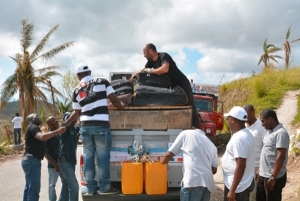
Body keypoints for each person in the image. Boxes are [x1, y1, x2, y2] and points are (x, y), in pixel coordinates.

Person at [62, 63, 126, 196]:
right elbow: (113, 99)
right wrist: (121, 107)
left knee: (88, 157)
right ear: (90, 72)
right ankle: (104, 188)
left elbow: (76, 112)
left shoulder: (76, 90)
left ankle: (90, 188)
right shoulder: (103, 81)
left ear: (79, 75)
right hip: (101, 125)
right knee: (102, 158)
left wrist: (66, 123)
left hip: (85, 126)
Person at [129, 43, 200, 129]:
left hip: (182, 83)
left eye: (145, 53)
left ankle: (197, 129)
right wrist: (132, 78)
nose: (144, 56)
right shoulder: (150, 62)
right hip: (171, 86)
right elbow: (143, 69)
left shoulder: (164, 56)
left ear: (150, 51)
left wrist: (150, 71)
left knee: (190, 105)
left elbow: (165, 69)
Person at [159, 128, 218, 201]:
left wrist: (161, 160)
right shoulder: (211, 145)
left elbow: (168, 155)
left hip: (192, 182)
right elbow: (214, 170)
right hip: (207, 184)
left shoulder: (186, 133)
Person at [21, 113, 66, 201]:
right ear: (31, 119)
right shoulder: (33, 127)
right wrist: (57, 131)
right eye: (36, 116)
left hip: (31, 160)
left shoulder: (33, 128)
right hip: (32, 160)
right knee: (34, 188)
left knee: (29, 187)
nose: (39, 117)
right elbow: (42, 137)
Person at [222, 106, 255, 201]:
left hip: (238, 187)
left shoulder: (240, 138)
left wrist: (232, 190)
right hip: (239, 184)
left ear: (233, 120)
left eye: (228, 118)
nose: (227, 121)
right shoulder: (245, 133)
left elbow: (241, 166)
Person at [256, 109, 289, 201]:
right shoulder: (269, 132)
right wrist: (260, 169)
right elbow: (266, 152)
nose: (262, 124)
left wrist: (273, 177)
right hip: (263, 175)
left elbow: (281, 156)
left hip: (273, 177)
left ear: (270, 119)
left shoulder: (281, 133)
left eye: (263, 121)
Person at [243, 104, 268, 201]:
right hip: (243, 167)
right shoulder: (243, 126)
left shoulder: (260, 127)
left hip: (256, 167)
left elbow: (265, 147)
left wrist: (261, 167)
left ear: (252, 113)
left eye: (246, 115)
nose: (244, 117)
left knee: (252, 196)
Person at [58, 112, 80, 201]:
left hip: (71, 161)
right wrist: (77, 111)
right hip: (64, 160)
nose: (75, 118)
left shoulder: (75, 129)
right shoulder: (64, 128)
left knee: (66, 185)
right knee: (74, 186)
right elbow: (67, 122)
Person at [45, 116, 63, 201]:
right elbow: (45, 153)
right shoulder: (48, 137)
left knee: (66, 183)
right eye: (53, 120)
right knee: (52, 185)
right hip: (53, 166)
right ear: (49, 125)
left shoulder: (61, 133)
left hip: (63, 164)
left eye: (55, 119)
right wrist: (55, 164)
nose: (56, 120)